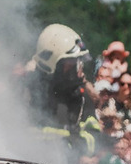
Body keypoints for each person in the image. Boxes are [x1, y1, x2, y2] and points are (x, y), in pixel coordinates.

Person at [28, 24, 98, 156]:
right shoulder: (29, 91)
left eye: (79, 62)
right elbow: (20, 133)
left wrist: (78, 142)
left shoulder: (80, 96)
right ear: (52, 63)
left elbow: (95, 136)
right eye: (71, 64)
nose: (78, 70)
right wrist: (65, 139)